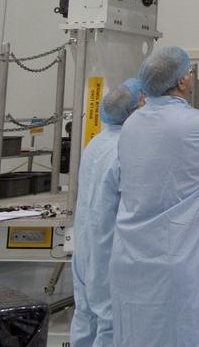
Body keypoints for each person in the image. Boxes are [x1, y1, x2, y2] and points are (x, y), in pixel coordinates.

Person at [110, 47, 199, 347]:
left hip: (133, 258)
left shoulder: (131, 125)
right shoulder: (197, 125)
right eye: (189, 72)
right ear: (182, 82)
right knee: (186, 335)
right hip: (180, 259)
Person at [71, 78, 145, 347]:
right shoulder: (125, 149)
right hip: (108, 250)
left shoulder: (95, 144)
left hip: (86, 249)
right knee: (110, 322)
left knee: (85, 316)